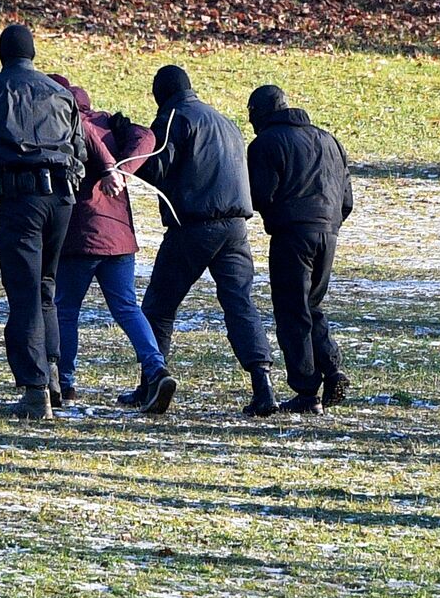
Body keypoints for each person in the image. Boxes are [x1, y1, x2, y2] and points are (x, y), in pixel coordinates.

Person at [0, 25, 87, 419]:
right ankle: (53, 374)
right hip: (60, 200)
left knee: (24, 292)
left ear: (1, 55)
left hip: (20, 199)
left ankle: (35, 390)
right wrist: (68, 183)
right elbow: (79, 150)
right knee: (45, 286)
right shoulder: (61, 93)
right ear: (33, 54)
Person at [130, 65, 278, 416]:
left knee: (158, 308)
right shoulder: (226, 122)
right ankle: (263, 385)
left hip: (194, 227)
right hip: (236, 228)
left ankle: (151, 384)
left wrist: (132, 143)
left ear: (159, 94)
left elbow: (156, 168)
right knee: (240, 304)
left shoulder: (173, 118)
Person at [45, 75, 175, 414]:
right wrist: (124, 169)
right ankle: (156, 368)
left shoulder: (66, 119)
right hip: (119, 236)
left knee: (66, 308)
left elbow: (84, 131)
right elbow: (147, 136)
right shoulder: (110, 123)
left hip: (81, 236)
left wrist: (110, 171)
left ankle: (66, 381)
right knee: (127, 308)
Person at [245, 85, 354, 414]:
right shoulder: (330, 141)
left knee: (292, 311)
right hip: (329, 233)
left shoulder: (265, 143)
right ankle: (332, 368)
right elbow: (346, 199)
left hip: (292, 234)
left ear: (260, 113)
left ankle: (307, 391)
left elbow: (260, 195)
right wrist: (328, 223)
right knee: (310, 303)